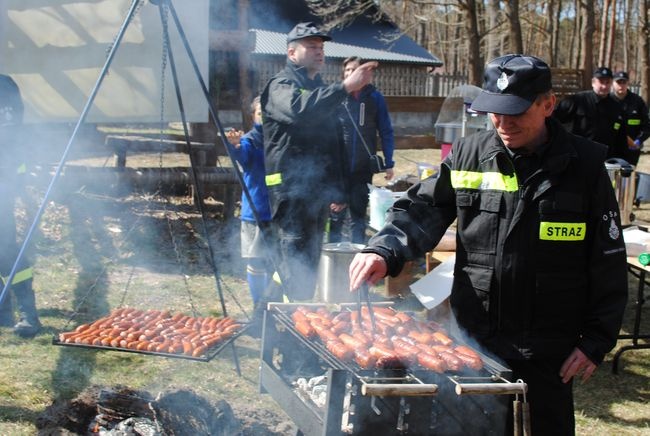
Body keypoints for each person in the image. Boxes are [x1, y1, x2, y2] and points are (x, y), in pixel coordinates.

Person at [349, 55, 628, 435]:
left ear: (548, 104)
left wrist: (596, 340)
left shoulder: (585, 165)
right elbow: (422, 210)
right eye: (495, 112)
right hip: (473, 344)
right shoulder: (468, 155)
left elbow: (608, 261)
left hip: (548, 352)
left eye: (515, 111)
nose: (503, 122)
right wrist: (385, 249)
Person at [259, 22, 377, 304]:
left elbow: (333, 142)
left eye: (321, 47)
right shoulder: (281, 86)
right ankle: (290, 337)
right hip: (290, 192)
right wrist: (346, 86)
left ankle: (266, 319)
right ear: (291, 53)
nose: (319, 51)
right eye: (311, 46)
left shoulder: (320, 89)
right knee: (294, 263)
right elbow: (299, 111)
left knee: (304, 263)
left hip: (317, 193)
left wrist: (339, 189)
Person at [329, 56, 396, 244]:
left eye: (354, 70)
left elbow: (386, 131)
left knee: (358, 218)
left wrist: (389, 162)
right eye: (347, 71)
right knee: (336, 216)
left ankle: (356, 257)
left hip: (362, 169)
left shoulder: (375, 98)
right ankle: (332, 259)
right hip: (338, 171)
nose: (350, 74)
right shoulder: (336, 97)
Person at [0, 74, 42, 338]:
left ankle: (28, 312)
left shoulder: (3, 87)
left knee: (5, 246)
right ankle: (3, 310)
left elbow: (10, 133)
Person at [226, 96, 272, 307]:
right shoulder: (250, 140)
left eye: (268, 111)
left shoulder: (280, 139)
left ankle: (274, 305)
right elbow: (242, 156)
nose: (264, 116)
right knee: (256, 261)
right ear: (253, 116)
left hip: (279, 211)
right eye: (260, 112)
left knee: (276, 263)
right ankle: (258, 306)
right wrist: (234, 147)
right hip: (256, 210)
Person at [554, 66, 627, 159]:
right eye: (601, 82)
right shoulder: (576, 101)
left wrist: (622, 159)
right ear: (593, 82)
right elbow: (555, 122)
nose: (604, 86)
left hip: (605, 159)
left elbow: (621, 137)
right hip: (578, 156)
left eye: (607, 82)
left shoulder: (616, 107)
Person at [611, 70, 650, 165]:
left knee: (628, 177)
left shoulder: (637, 101)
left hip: (631, 150)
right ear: (613, 83)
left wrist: (639, 140)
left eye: (624, 82)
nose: (621, 85)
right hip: (611, 149)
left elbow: (647, 125)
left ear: (628, 83)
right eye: (618, 82)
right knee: (610, 177)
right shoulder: (607, 100)